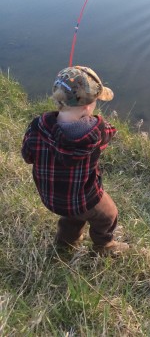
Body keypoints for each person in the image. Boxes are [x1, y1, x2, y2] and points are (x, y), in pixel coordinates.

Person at [21, 65, 129, 255]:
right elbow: (111, 132)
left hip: (52, 197)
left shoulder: (37, 127)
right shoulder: (97, 132)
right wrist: (96, 121)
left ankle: (65, 243)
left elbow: (27, 156)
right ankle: (104, 246)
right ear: (88, 107)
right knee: (108, 215)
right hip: (84, 198)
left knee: (72, 216)